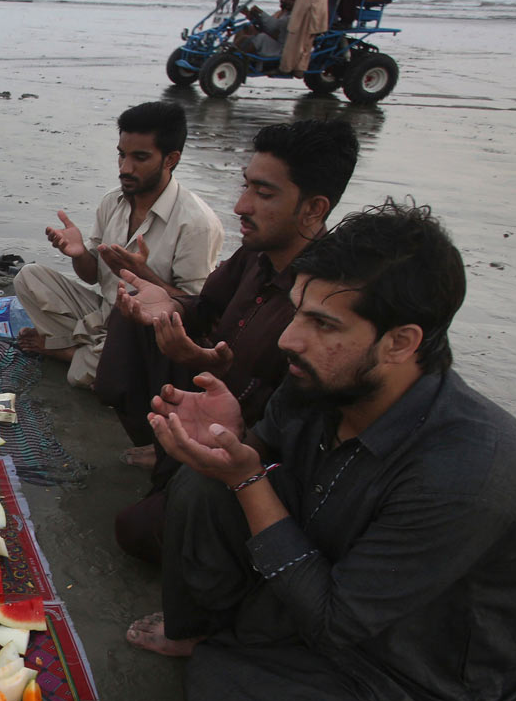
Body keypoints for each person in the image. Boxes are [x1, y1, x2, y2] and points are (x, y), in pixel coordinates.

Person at [127, 201, 516, 701]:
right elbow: (261, 461)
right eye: (298, 309)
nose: (289, 339)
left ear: (402, 341)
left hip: (413, 685)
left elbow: (335, 617)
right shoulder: (322, 381)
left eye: (323, 322)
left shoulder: (470, 471)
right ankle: (221, 645)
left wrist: (249, 478)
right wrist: (234, 435)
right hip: (330, 599)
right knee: (200, 484)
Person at [96, 118, 358, 564]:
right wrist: (168, 303)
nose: (240, 205)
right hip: (208, 392)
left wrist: (211, 366)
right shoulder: (255, 255)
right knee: (134, 320)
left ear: (314, 209)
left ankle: (192, 487)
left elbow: (287, 419)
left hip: (252, 441)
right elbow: (201, 306)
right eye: (246, 187)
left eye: (264, 193)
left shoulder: (326, 299)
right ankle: (165, 455)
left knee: (134, 532)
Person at [14, 101, 223, 389]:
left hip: (144, 334)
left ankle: (67, 351)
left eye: (139, 158)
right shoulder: (113, 201)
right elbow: (91, 275)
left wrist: (145, 275)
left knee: (82, 375)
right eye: (121, 155)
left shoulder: (197, 223)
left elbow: (196, 316)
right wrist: (77, 254)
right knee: (29, 277)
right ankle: (92, 349)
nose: (125, 168)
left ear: (170, 159)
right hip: (104, 313)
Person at [233, 0, 298, 56]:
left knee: (255, 38)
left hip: (279, 47)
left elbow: (274, 31)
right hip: (272, 38)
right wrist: (250, 15)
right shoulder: (281, 13)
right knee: (245, 28)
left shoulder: (291, 18)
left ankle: (235, 55)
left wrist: (261, 13)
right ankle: (233, 52)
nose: (281, 0)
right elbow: (268, 26)